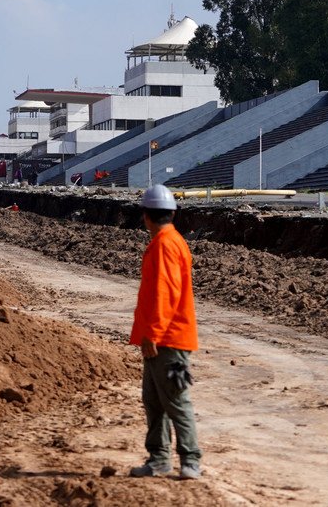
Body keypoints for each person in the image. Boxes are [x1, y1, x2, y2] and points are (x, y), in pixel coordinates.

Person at [129, 184, 201, 480]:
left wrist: (152, 335)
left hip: (167, 340)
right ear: (171, 213)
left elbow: (164, 293)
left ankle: (190, 460)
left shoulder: (164, 245)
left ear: (146, 216)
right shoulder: (173, 241)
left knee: (175, 400)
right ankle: (159, 458)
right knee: (154, 400)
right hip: (165, 338)